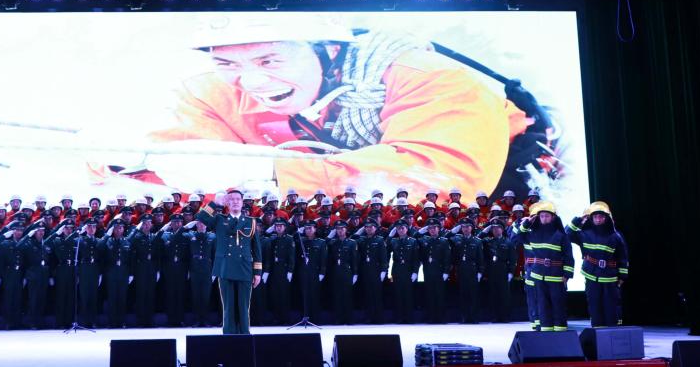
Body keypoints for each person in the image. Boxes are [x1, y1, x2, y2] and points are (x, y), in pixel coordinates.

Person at [149, 17, 534, 201]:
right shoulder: (209, 95)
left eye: (270, 61)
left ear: (329, 50)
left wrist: (267, 171)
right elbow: (163, 175)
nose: (251, 82)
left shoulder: (432, 77)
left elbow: (441, 181)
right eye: (227, 64)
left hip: (507, 188)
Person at [194, 189, 263, 334]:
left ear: (242, 202)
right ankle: (229, 335)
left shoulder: (251, 222)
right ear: (227, 202)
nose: (235, 202)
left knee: (243, 305)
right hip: (225, 267)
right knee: (228, 305)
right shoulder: (220, 219)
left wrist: (257, 272)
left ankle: (244, 334)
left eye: (238, 199)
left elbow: (256, 249)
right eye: (231, 199)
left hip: (245, 267)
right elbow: (201, 217)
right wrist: (215, 203)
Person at [512, 201, 573, 332]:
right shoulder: (533, 233)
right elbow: (518, 236)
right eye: (542, 216)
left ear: (553, 217)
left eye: (547, 216)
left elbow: (568, 256)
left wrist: (567, 275)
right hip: (538, 276)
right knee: (542, 305)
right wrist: (527, 223)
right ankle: (546, 330)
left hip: (556, 276)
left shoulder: (561, 235)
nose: (544, 218)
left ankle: (560, 331)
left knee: (557, 304)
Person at [566, 201, 629, 327]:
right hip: (591, 275)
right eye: (595, 216)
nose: (598, 219)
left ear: (607, 218)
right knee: (594, 304)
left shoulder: (615, 236)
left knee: (610, 305)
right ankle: (597, 331)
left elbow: (622, 256)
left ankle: (611, 332)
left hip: (610, 277)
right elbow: (567, 234)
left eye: (601, 216)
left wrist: (622, 276)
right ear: (591, 218)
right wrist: (578, 219)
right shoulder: (584, 234)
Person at [129, 215, 163, 327]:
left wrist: (158, 270)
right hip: (140, 268)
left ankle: (149, 320)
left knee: (150, 294)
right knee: (141, 294)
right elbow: (132, 253)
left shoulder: (153, 237)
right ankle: (140, 320)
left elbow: (158, 255)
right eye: (145, 223)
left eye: (149, 223)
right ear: (141, 225)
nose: (147, 225)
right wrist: (132, 272)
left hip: (151, 268)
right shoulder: (137, 237)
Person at [19, 220, 54, 329]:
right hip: (33, 274)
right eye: (38, 230)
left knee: (42, 299)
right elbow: (18, 247)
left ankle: (39, 321)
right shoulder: (29, 243)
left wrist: (50, 276)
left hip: (44, 274)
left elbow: (50, 261)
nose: (41, 232)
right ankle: (32, 322)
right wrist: (27, 236)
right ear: (34, 232)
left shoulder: (46, 243)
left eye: (42, 230)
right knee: (33, 299)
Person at [481, 218, 517, 323]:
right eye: (493, 228)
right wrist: (485, 230)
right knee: (493, 294)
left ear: (502, 229)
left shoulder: (508, 242)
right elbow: (478, 239)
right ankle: (495, 316)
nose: (495, 230)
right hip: (492, 270)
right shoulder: (488, 241)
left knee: (504, 294)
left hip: (503, 269)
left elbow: (513, 259)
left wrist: (511, 272)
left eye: (498, 228)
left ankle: (505, 316)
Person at [102, 218, 135, 328]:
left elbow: (131, 259)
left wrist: (131, 273)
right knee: (112, 297)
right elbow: (103, 256)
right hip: (111, 272)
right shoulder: (108, 241)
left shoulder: (127, 241)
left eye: (120, 228)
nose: (118, 230)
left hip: (123, 272)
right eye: (116, 228)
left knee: (122, 297)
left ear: (123, 229)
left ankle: (121, 321)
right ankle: (112, 321)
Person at [355, 218, 388, 324]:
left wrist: (383, 271)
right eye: (367, 227)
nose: (369, 229)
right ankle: (369, 317)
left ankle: (379, 318)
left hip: (376, 270)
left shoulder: (380, 240)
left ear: (375, 228)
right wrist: (360, 230)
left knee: (377, 295)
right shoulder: (362, 240)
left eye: (371, 227)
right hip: (365, 270)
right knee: (367, 294)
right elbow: (352, 239)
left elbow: (383, 257)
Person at [451, 218, 484, 323]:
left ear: (472, 228)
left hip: (473, 270)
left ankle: (474, 317)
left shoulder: (477, 241)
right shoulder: (457, 239)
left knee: (473, 295)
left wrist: (480, 272)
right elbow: (446, 238)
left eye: (468, 226)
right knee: (463, 294)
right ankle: (464, 316)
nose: (465, 229)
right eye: (463, 227)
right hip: (461, 269)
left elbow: (480, 258)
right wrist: (454, 230)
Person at [387, 220, 420, 324]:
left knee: (408, 295)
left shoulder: (413, 241)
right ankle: (399, 318)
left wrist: (415, 272)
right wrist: (390, 236)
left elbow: (416, 258)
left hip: (408, 269)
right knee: (398, 294)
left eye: (402, 228)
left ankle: (409, 318)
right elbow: (386, 249)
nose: (400, 230)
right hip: (397, 270)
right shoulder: (393, 241)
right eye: (398, 228)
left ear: (406, 229)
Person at [418, 218, 450, 323]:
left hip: (439, 270)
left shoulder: (444, 241)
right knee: (429, 294)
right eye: (430, 228)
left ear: (438, 229)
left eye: (434, 228)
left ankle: (441, 317)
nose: (432, 230)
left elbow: (447, 258)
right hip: (428, 270)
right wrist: (421, 231)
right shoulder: (424, 240)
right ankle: (431, 317)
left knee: (440, 294)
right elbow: (414, 237)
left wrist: (446, 272)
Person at [185, 218, 216, 326]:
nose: (201, 225)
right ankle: (197, 320)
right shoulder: (190, 235)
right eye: (199, 223)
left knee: (206, 296)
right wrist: (187, 226)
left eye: (204, 223)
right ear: (196, 224)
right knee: (196, 295)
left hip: (207, 270)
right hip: (194, 269)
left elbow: (215, 255)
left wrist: (215, 272)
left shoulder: (212, 236)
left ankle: (205, 320)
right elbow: (186, 252)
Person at [326, 220, 358, 325]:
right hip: (335, 270)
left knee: (347, 295)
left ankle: (349, 319)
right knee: (337, 295)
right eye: (338, 229)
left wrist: (355, 273)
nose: (340, 231)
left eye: (342, 228)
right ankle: (339, 318)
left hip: (347, 270)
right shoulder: (333, 243)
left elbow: (354, 259)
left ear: (346, 229)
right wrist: (329, 236)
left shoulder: (351, 243)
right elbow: (324, 246)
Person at [265, 218, 296, 324]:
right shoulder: (272, 238)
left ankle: (285, 318)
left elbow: (291, 256)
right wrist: (267, 232)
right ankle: (276, 317)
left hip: (284, 268)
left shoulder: (289, 239)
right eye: (276, 226)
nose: (278, 228)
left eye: (280, 226)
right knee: (275, 294)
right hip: (274, 268)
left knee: (284, 294)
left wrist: (290, 271)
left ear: (285, 227)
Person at [296, 220, 327, 322]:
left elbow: (323, 259)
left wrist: (322, 272)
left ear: (315, 229)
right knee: (304, 295)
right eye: (306, 228)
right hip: (304, 271)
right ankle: (305, 317)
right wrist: (298, 232)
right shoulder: (301, 241)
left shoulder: (321, 242)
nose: (308, 230)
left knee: (315, 295)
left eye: (310, 228)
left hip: (315, 272)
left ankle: (315, 318)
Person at [75, 218, 104, 328]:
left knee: (93, 296)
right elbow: (77, 255)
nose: (92, 229)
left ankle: (93, 321)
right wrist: (77, 274)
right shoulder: (80, 240)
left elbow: (101, 258)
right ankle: (84, 321)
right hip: (84, 268)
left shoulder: (98, 241)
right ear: (86, 228)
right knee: (84, 296)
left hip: (95, 268)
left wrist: (100, 273)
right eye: (89, 227)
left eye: (94, 227)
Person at [50, 219, 78, 329]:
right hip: (61, 269)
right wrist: (52, 275)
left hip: (72, 269)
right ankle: (60, 322)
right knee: (61, 296)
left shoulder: (75, 240)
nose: (69, 230)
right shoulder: (58, 240)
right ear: (62, 229)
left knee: (71, 297)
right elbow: (53, 258)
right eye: (67, 228)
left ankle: (69, 321)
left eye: (71, 228)